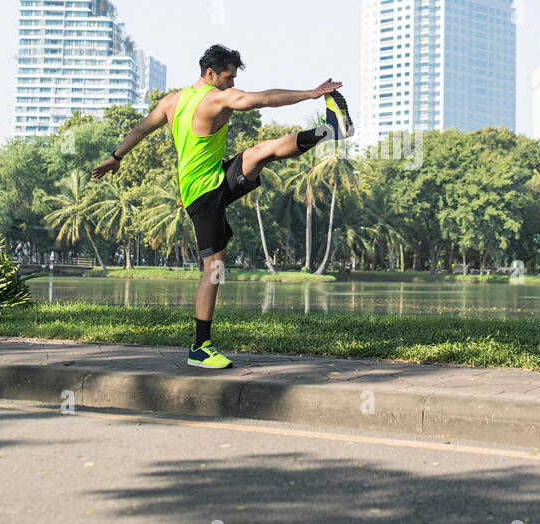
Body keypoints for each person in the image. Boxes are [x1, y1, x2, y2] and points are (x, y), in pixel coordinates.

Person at [91, 44, 353, 369]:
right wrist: (312, 93)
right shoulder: (216, 98)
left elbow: (142, 128)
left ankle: (329, 130)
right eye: (228, 77)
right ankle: (200, 347)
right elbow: (264, 99)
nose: (232, 84)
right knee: (213, 269)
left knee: (261, 151)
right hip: (202, 196)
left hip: (216, 178)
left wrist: (116, 158)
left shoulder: (171, 101)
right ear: (210, 73)